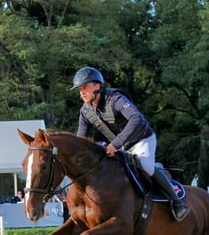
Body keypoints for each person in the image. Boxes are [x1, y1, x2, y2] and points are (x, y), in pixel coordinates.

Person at [72, 66, 189, 221]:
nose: (82, 92)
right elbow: (81, 140)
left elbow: (136, 119)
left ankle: (177, 202)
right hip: (120, 146)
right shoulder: (85, 111)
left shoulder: (115, 99)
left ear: (97, 86)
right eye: (80, 89)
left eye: (85, 87)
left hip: (142, 139)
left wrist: (115, 144)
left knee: (145, 165)